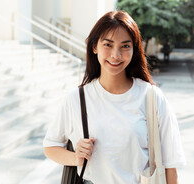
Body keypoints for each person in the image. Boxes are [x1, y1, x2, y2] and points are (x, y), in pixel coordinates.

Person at [43, 11, 186, 184]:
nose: (116, 55)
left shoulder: (151, 96)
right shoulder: (77, 98)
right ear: (95, 47)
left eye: (125, 46)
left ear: (134, 49)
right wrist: (76, 157)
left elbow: (170, 165)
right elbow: (51, 146)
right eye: (108, 45)